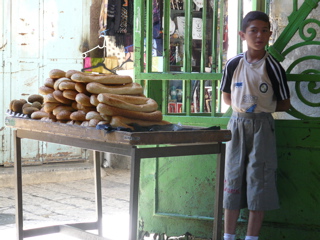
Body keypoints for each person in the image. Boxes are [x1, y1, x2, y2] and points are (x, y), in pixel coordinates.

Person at [220, 11, 291, 240]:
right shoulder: (233, 64)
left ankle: (252, 237)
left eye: (264, 31)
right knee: (232, 179)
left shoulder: (273, 67)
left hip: (262, 127)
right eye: (253, 30)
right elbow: (227, 97)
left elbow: (285, 103)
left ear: (270, 34)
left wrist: (260, 108)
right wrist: (243, 109)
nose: (259, 35)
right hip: (236, 126)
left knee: (258, 180)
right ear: (242, 34)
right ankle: (228, 236)